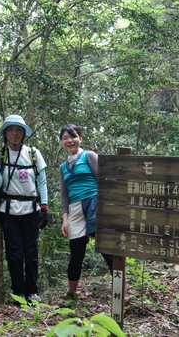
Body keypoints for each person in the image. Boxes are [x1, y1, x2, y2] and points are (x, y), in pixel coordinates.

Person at [0, 115, 49, 303]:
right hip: (9, 210)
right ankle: (18, 291)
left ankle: (33, 291)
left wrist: (44, 207)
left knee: (31, 252)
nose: (15, 133)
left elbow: (41, 182)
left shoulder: (34, 153)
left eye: (19, 130)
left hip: (31, 210)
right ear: (5, 133)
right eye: (11, 129)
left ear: (23, 133)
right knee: (14, 252)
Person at [59, 123, 113, 298]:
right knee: (76, 253)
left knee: (106, 249)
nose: (69, 141)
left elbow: (104, 181)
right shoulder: (63, 167)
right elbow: (65, 196)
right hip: (74, 209)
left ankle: (122, 293)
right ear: (61, 142)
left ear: (80, 139)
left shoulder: (89, 156)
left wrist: (105, 208)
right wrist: (65, 219)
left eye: (73, 136)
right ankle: (72, 294)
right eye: (65, 138)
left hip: (94, 203)